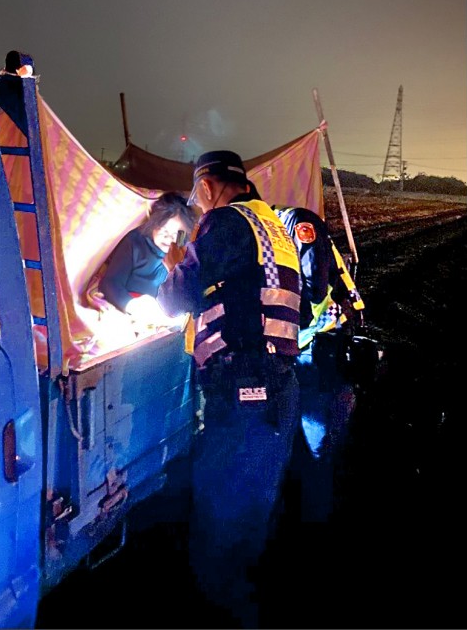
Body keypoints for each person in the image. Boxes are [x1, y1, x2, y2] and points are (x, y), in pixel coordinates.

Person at [157, 151, 301, 629]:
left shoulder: (224, 221)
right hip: (278, 384)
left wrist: (175, 266)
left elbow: (178, 299)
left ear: (210, 184)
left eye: (199, 191)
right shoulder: (272, 224)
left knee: (220, 504)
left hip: (243, 388)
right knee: (255, 507)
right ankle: (246, 598)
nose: (198, 202)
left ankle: (216, 609)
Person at [273, 205, 365, 521]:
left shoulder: (297, 222)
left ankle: (314, 521)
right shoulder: (282, 226)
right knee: (312, 434)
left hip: (322, 346)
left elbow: (312, 292)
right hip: (317, 343)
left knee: (316, 437)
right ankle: (312, 505)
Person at [98, 191, 196, 329]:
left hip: (164, 316)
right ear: (153, 224)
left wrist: (175, 266)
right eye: (164, 231)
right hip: (130, 306)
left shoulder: (184, 253)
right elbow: (110, 282)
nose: (169, 238)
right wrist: (132, 307)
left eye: (176, 234)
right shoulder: (135, 242)